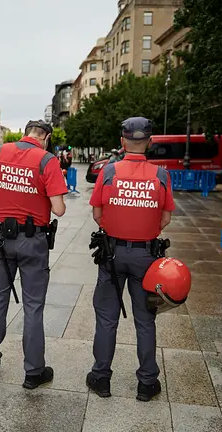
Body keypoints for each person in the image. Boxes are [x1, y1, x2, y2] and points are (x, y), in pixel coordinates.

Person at [87, 117, 175, 402]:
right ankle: (147, 383)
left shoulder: (109, 171)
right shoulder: (161, 175)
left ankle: (101, 378)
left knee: (106, 318)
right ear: (149, 142)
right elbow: (166, 218)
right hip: (146, 256)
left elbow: (97, 214)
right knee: (145, 320)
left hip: (112, 254)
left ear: (122, 141)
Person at [0, 120, 68, 389]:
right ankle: (33, 372)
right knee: (33, 307)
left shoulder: (0, 152)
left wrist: (11, 193)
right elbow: (60, 209)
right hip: (33, 242)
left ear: (25, 133)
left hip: (1, 240)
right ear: (47, 137)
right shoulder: (47, 160)